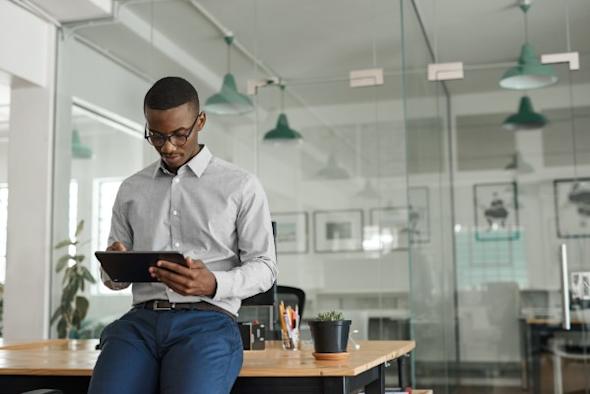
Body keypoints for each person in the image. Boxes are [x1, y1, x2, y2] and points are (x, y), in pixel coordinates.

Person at [88, 76, 278, 394]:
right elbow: (114, 280)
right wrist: (114, 268)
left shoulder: (240, 185)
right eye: (157, 136)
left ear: (200, 121)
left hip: (209, 322)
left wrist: (213, 283)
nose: (169, 146)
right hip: (140, 324)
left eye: (179, 134)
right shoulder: (131, 189)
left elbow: (265, 268)